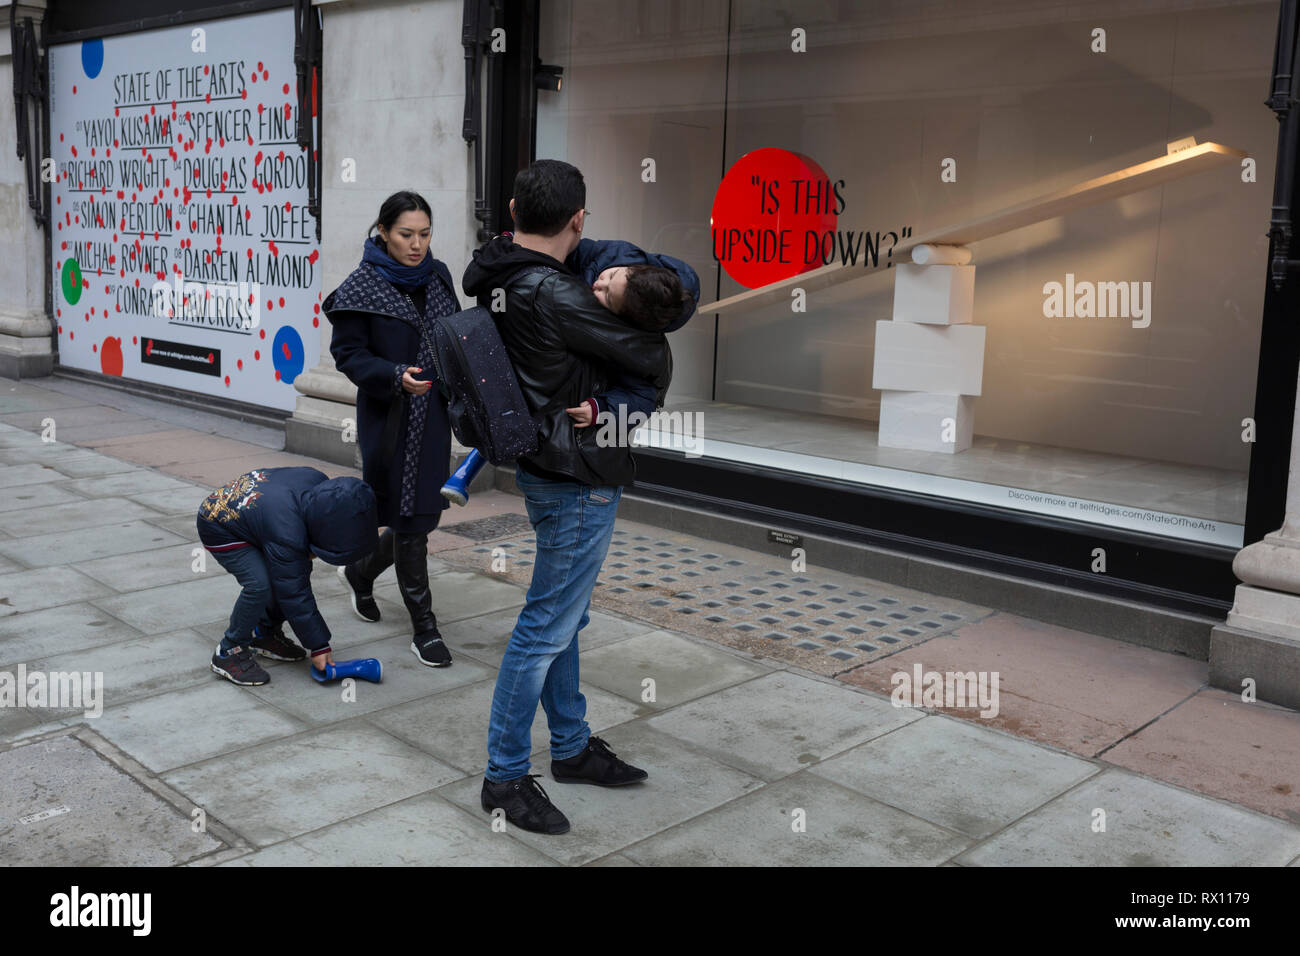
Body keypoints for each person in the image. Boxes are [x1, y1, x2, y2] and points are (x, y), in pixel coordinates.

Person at [462, 159, 674, 835]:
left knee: (563, 618)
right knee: (545, 626)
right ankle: (503, 778)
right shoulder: (555, 293)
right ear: (578, 221)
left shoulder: (495, 274)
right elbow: (653, 354)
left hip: (541, 464)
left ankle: (572, 747)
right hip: (576, 476)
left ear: (516, 212)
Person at [442, 238, 699, 505]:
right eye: (610, 276)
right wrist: (514, 245)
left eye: (607, 297)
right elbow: (564, 246)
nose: (599, 284)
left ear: (625, 323)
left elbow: (642, 398)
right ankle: (465, 472)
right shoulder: (615, 254)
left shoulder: (631, 339)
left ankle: (466, 472)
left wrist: (603, 408)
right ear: (628, 267)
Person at [325, 191, 459, 668]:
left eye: (425, 233)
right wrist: (392, 376)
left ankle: (360, 573)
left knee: (418, 516)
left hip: (435, 419)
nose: (417, 244)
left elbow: (454, 336)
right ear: (383, 232)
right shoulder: (360, 287)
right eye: (407, 234)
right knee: (405, 518)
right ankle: (424, 628)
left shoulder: (439, 276)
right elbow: (349, 355)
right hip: (390, 420)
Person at [197, 467, 378, 685]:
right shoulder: (288, 531)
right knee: (259, 585)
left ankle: (265, 634)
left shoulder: (323, 490)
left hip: (257, 516)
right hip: (218, 523)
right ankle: (228, 651)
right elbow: (294, 590)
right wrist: (319, 646)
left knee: (288, 573)